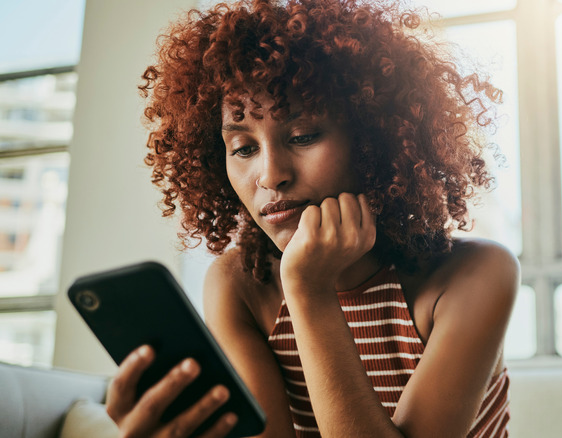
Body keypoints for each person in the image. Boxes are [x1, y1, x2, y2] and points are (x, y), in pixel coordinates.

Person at [105, 0, 519, 436]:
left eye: (302, 136)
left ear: (372, 142)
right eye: (244, 148)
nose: (271, 175)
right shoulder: (241, 286)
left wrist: (308, 288)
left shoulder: (475, 275)